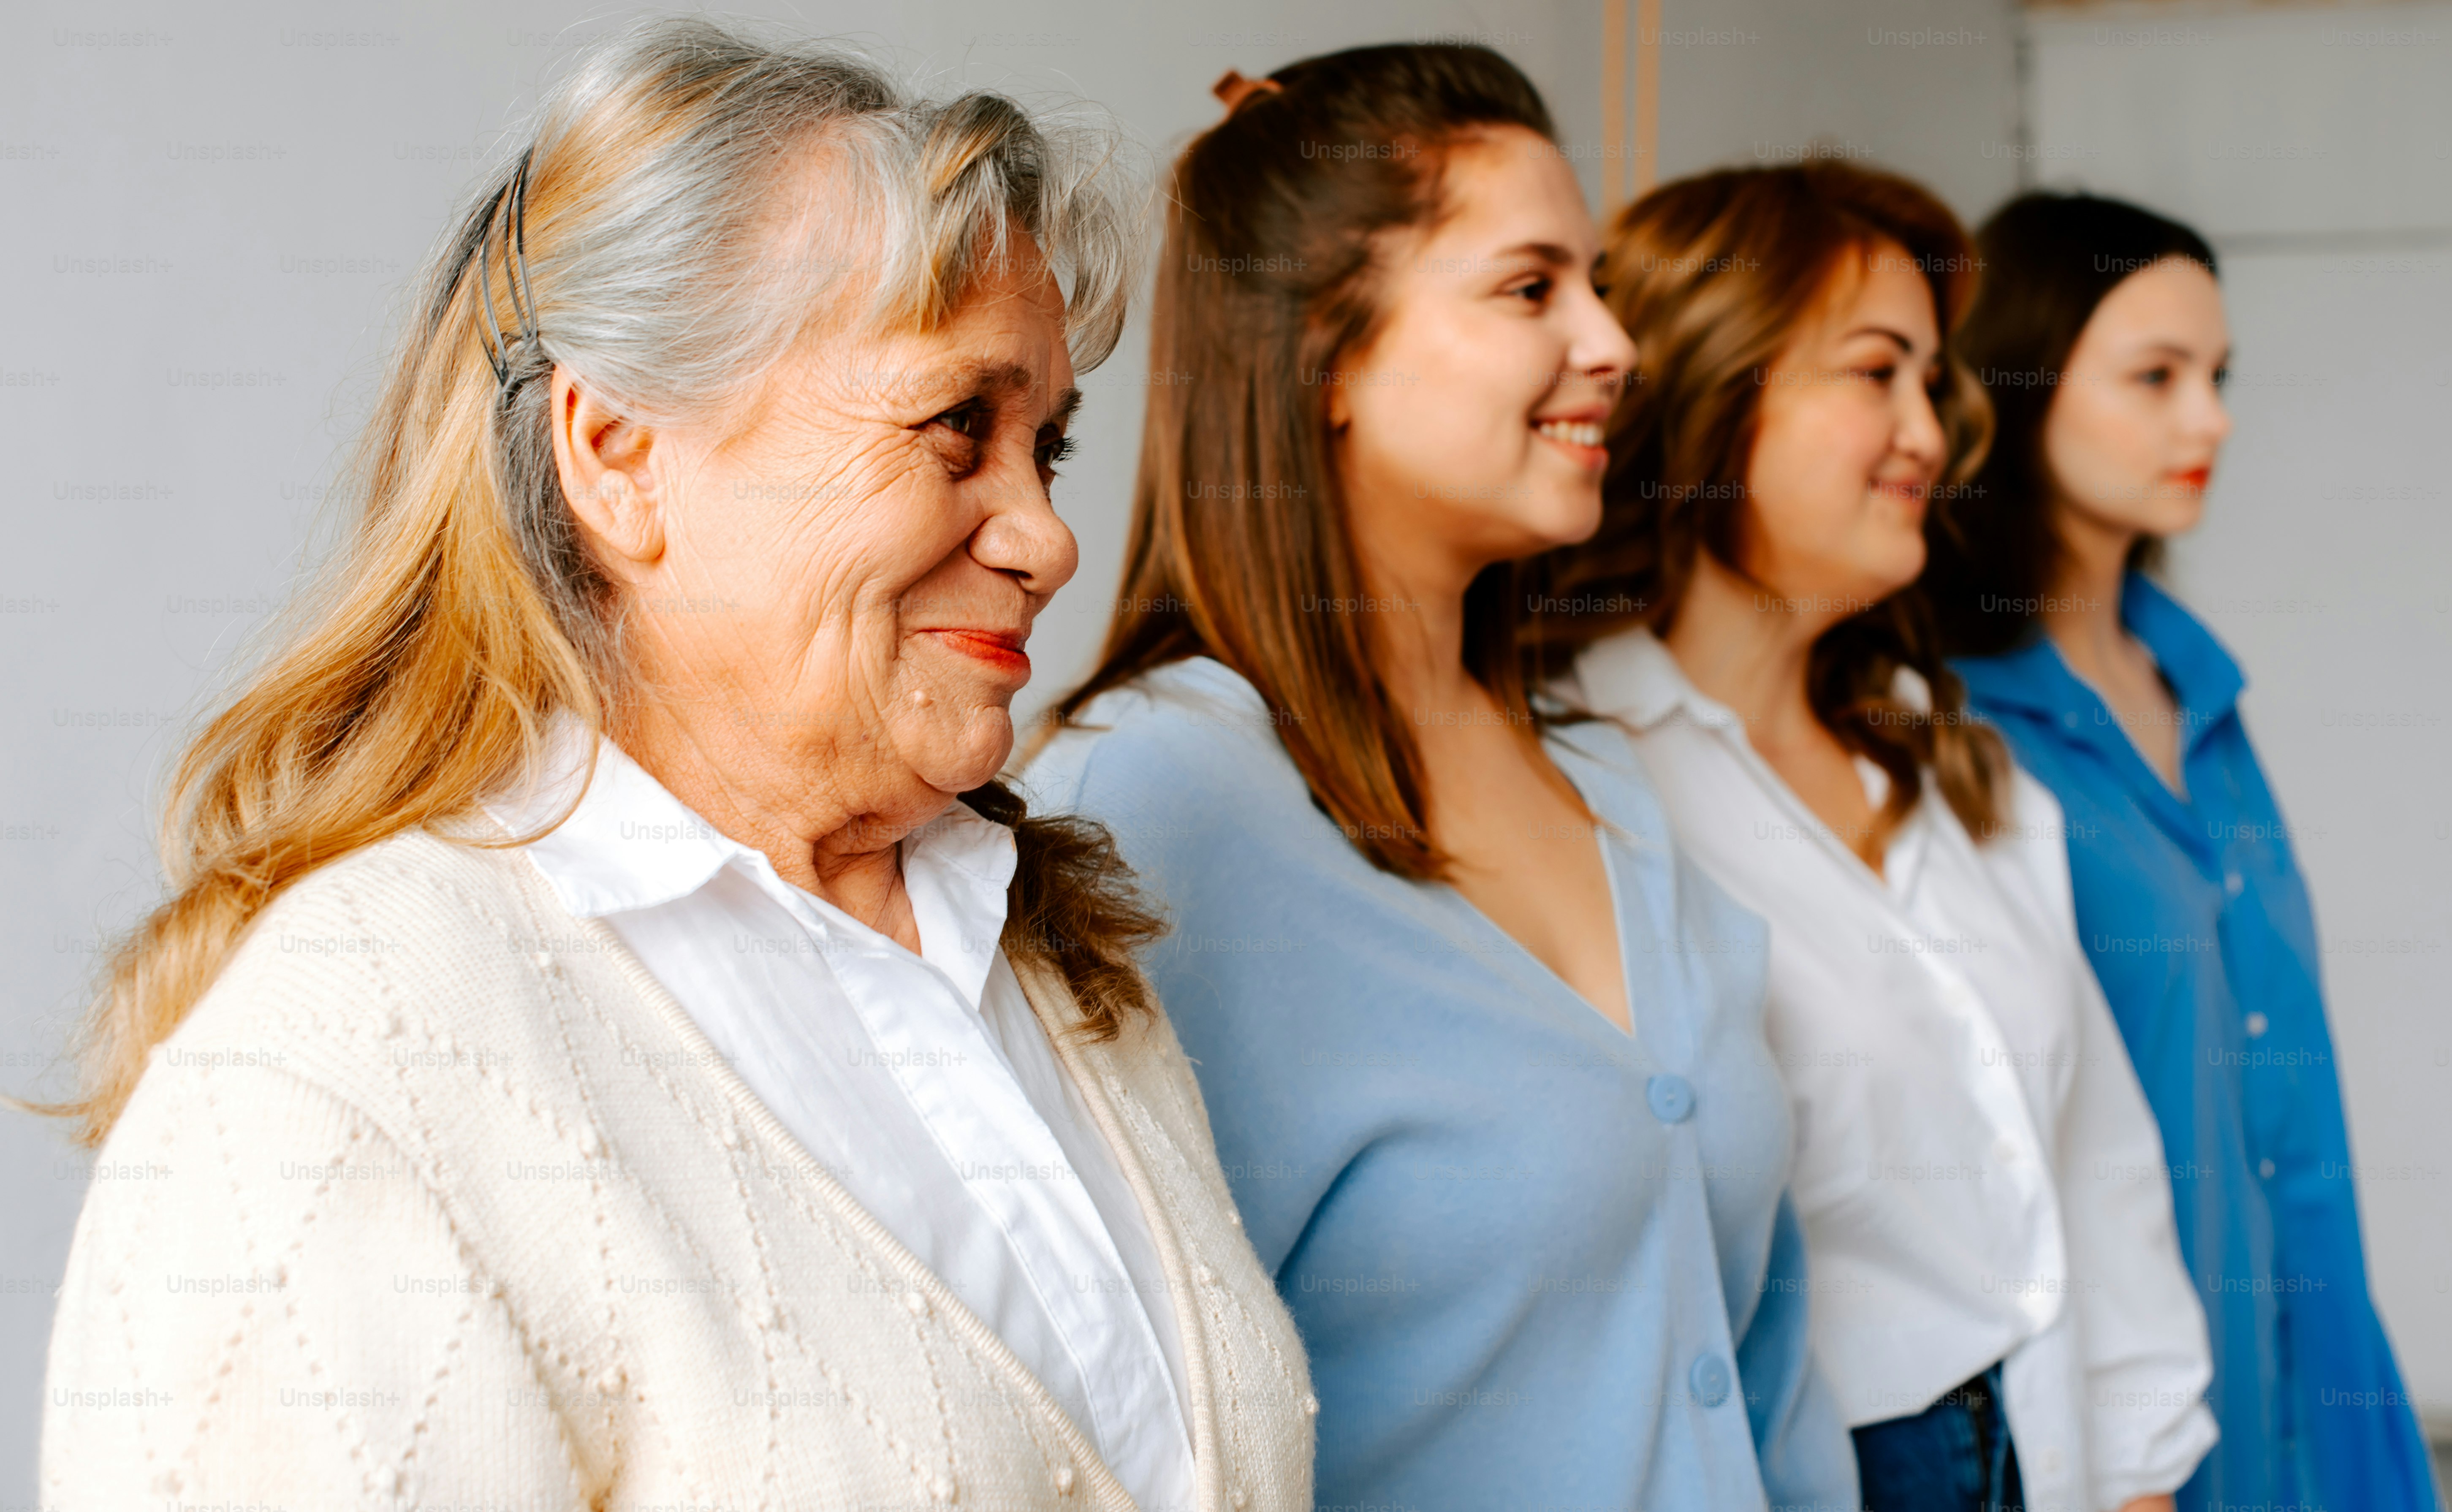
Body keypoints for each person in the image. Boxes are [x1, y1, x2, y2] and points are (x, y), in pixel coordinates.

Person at [35, 20, 1315, 1509]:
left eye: (1049, 449)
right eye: (955, 427)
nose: (1044, 537)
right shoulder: (354, 1063)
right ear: (620, 458)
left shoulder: (1058, 970)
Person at [1023, 45, 1857, 1512]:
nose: (1613, 344)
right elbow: (1122, 1423)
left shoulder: (1608, 782)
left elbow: (1766, 1352)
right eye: (1532, 288)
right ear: (1327, 355)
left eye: (1593, 283)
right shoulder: (1158, 802)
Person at [1529, 162, 2217, 1512]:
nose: (1931, 433)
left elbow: (2101, 1189)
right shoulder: (1576, 777)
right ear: (1715, 389)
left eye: (1933, 382)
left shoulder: (1954, 762)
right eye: (1875, 372)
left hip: (2057, 1458)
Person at [1922, 190, 2440, 1512]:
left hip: (2324, 1394)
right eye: (2155, 377)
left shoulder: (2202, 693)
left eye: (2215, 378)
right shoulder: (1952, 726)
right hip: (2129, 1440)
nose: (2208, 420)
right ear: (2016, 386)